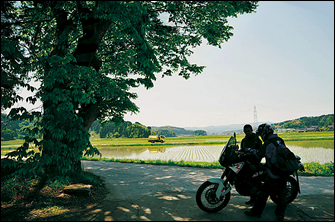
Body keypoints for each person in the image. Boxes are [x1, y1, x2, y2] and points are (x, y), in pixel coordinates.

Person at [244, 123, 289, 221]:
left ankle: (256, 212)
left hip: (273, 173)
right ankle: (280, 215)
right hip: (283, 171)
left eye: (261, 134)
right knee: (282, 195)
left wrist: (251, 151)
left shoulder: (268, 143)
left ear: (264, 133)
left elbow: (259, 155)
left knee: (263, 193)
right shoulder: (280, 140)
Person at [239, 124, 262, 205]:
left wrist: (253, 153)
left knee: (252, 179)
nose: (247, 132)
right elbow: (241, 149)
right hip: (246, 161)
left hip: (254, 161)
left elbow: (260, 151)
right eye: (246, 131)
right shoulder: (243, 140)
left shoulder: (256, 139)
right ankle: (251, 196)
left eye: (249, 130)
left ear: (251, 130)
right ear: (244, 131)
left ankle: (255, 196)